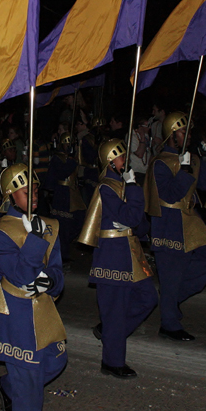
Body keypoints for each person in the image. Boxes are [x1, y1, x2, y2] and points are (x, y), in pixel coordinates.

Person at [0, 163, 66, 411]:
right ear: (10, 196)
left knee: (56, 360)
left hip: (43, 308)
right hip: (16, 311)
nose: (34, 195)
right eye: (27, 191)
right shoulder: (2, 232)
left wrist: (50, 281)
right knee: (28, 370)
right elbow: (19, 274)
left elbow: (57, 272)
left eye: (36, 190)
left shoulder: (50, 226)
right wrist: (35, 240)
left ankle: (9, 386)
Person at [78, 139, 157, 379]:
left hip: (131, 253)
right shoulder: (106, 187)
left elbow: (139, 222)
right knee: (115, 309)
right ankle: (112, 362)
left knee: (148, 298)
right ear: (111, 161)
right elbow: (131, 216)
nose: (126, 160)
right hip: (112, 256)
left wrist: (135, 217)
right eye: (122, 156)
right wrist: (133, 188)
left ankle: (111, 331)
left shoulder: (121, 185)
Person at [144, 112, 206, 341]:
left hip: (190, 218)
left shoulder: (190, 157)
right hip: (169, 222)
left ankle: (171, 296)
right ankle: (169, 323)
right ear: (171, 134)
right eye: (182, 131)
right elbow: (168, 194)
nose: (187, 135)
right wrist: (186, 171)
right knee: (171, 274)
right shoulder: (160, 162)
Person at [44, 132, 86, 267]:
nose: (68, 144)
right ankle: (62, 254)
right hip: (62, 195)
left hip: (72, 193)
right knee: (63, 225)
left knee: (79, 219)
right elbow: (63, 172)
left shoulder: (72, 157)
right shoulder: (58, 158)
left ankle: (65, 248)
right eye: (66, 142)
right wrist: (72, 162)